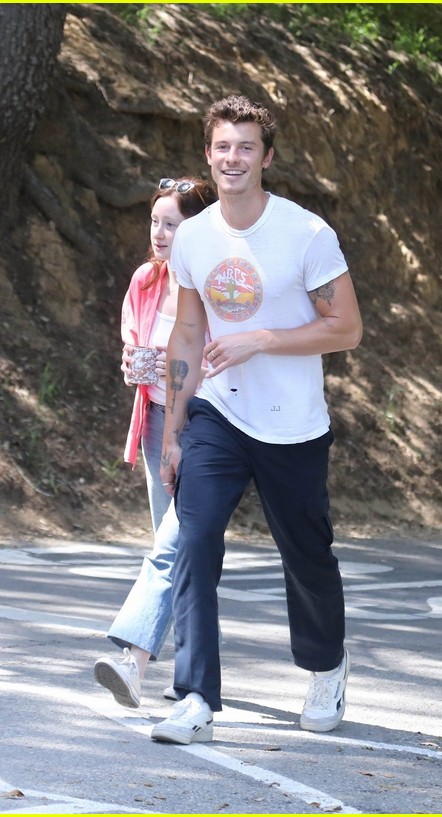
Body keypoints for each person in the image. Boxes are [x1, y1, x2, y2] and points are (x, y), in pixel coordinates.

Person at [150, 95, 363, 745]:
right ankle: (195, 696)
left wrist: (262, 338)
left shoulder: (306, 234)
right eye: (223, 146)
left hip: (292, 425)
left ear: (266, 157)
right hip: (218, 411)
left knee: (307, 554)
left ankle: (325, 667)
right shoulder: (194, 236)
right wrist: (173, 430)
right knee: (195, 539)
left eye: (246, 146)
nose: (233, 158)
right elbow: (188, 332)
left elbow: (346, 328)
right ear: (208, 155)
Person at [93, 176, 216, 709]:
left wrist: (171, 366)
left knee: (172, 544)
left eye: (172, 224)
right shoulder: (145, 279)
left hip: (204, 423)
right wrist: (135, 364)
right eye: (155, 222)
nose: (160, 234)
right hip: (153, 419)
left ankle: (134, 660)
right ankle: (194, 671)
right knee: (182, 546)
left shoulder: (216, 287)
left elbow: (219, 357)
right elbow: (134, 344)